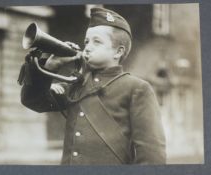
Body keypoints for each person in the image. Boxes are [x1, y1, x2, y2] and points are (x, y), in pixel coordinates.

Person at [20, 7, 166, 165]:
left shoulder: (137, 88)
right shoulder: (76, 84)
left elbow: (152, 155)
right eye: (86, 42)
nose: (88, 47)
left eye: (97, 42)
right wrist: (51, 66)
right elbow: (33, 100)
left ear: (118, 52)